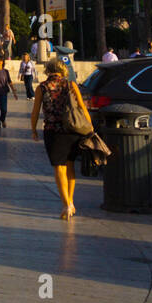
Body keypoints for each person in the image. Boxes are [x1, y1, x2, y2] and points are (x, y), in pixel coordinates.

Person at [30, 60, 94, 219]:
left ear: (48, 70)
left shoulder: (42, 88)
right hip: (72, 130)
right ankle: (70, 200)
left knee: (59, 167)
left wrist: (33, 130)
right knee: (70, 165)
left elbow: (35, 111)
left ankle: (66, 204)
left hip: (53, 131)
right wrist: (90, 128)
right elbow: (82, 107)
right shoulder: (71, 85)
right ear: (62, 70)